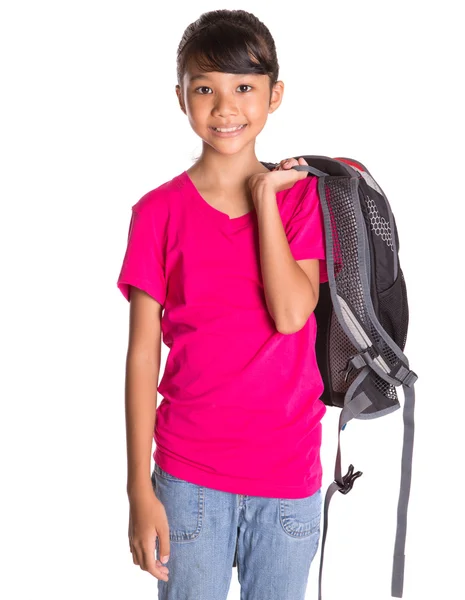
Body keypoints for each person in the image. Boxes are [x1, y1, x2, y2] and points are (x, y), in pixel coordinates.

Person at [116, 8, 329, 600]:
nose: (224, 106)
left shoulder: (300, 199)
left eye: (243, 87)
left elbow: (291, 315)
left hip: (286, 476)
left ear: (274, 95)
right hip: (188, 478)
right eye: (204, 88)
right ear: (180, 97)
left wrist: (263, 198)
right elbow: (141, 356)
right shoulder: (156, 213)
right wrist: (139, 487)